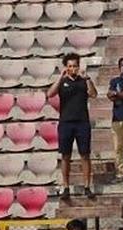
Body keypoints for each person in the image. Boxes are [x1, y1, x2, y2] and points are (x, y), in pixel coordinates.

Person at [46, 52, 97, 201]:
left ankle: (87, 186)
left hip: (82, 122)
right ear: (65, 67)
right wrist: (60, 78)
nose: (72, 69)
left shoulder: (83, 80)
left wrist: (87, 78)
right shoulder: (62, 82)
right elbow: (50, 94)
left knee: (85, 155)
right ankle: (66, 187)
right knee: (65, 156)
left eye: (75, 66)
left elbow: (93, 94)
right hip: (66, 123)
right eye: (70, 66)